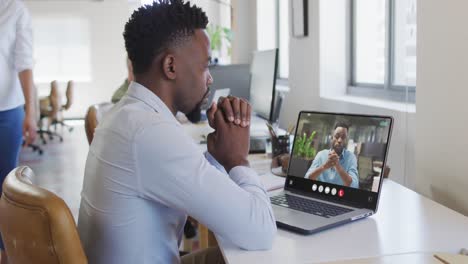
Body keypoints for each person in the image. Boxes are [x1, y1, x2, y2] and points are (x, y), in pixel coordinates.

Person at [76, 1, 276, 263]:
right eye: (205, 66)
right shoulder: (149, 132)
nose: (210, 79)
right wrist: (238, 159)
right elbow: (261, 232)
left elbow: (190, 182)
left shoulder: (128, 115)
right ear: (171, 66)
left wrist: (217, 156)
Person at [0, 0, 37, 263]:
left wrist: (31, 112)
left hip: (7, 112)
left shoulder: (15, 10)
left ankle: (5, 253)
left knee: (4, 188)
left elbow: (24, 64)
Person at [304, 122, 359, 188]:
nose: (339, 140)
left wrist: (338, 166)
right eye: (337, 136)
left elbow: (354, 185)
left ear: (346, 140)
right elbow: (307, 178)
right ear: (332, 137)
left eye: (343, 137)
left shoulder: (351, 158)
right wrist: (324, 167)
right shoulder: (321, 155)